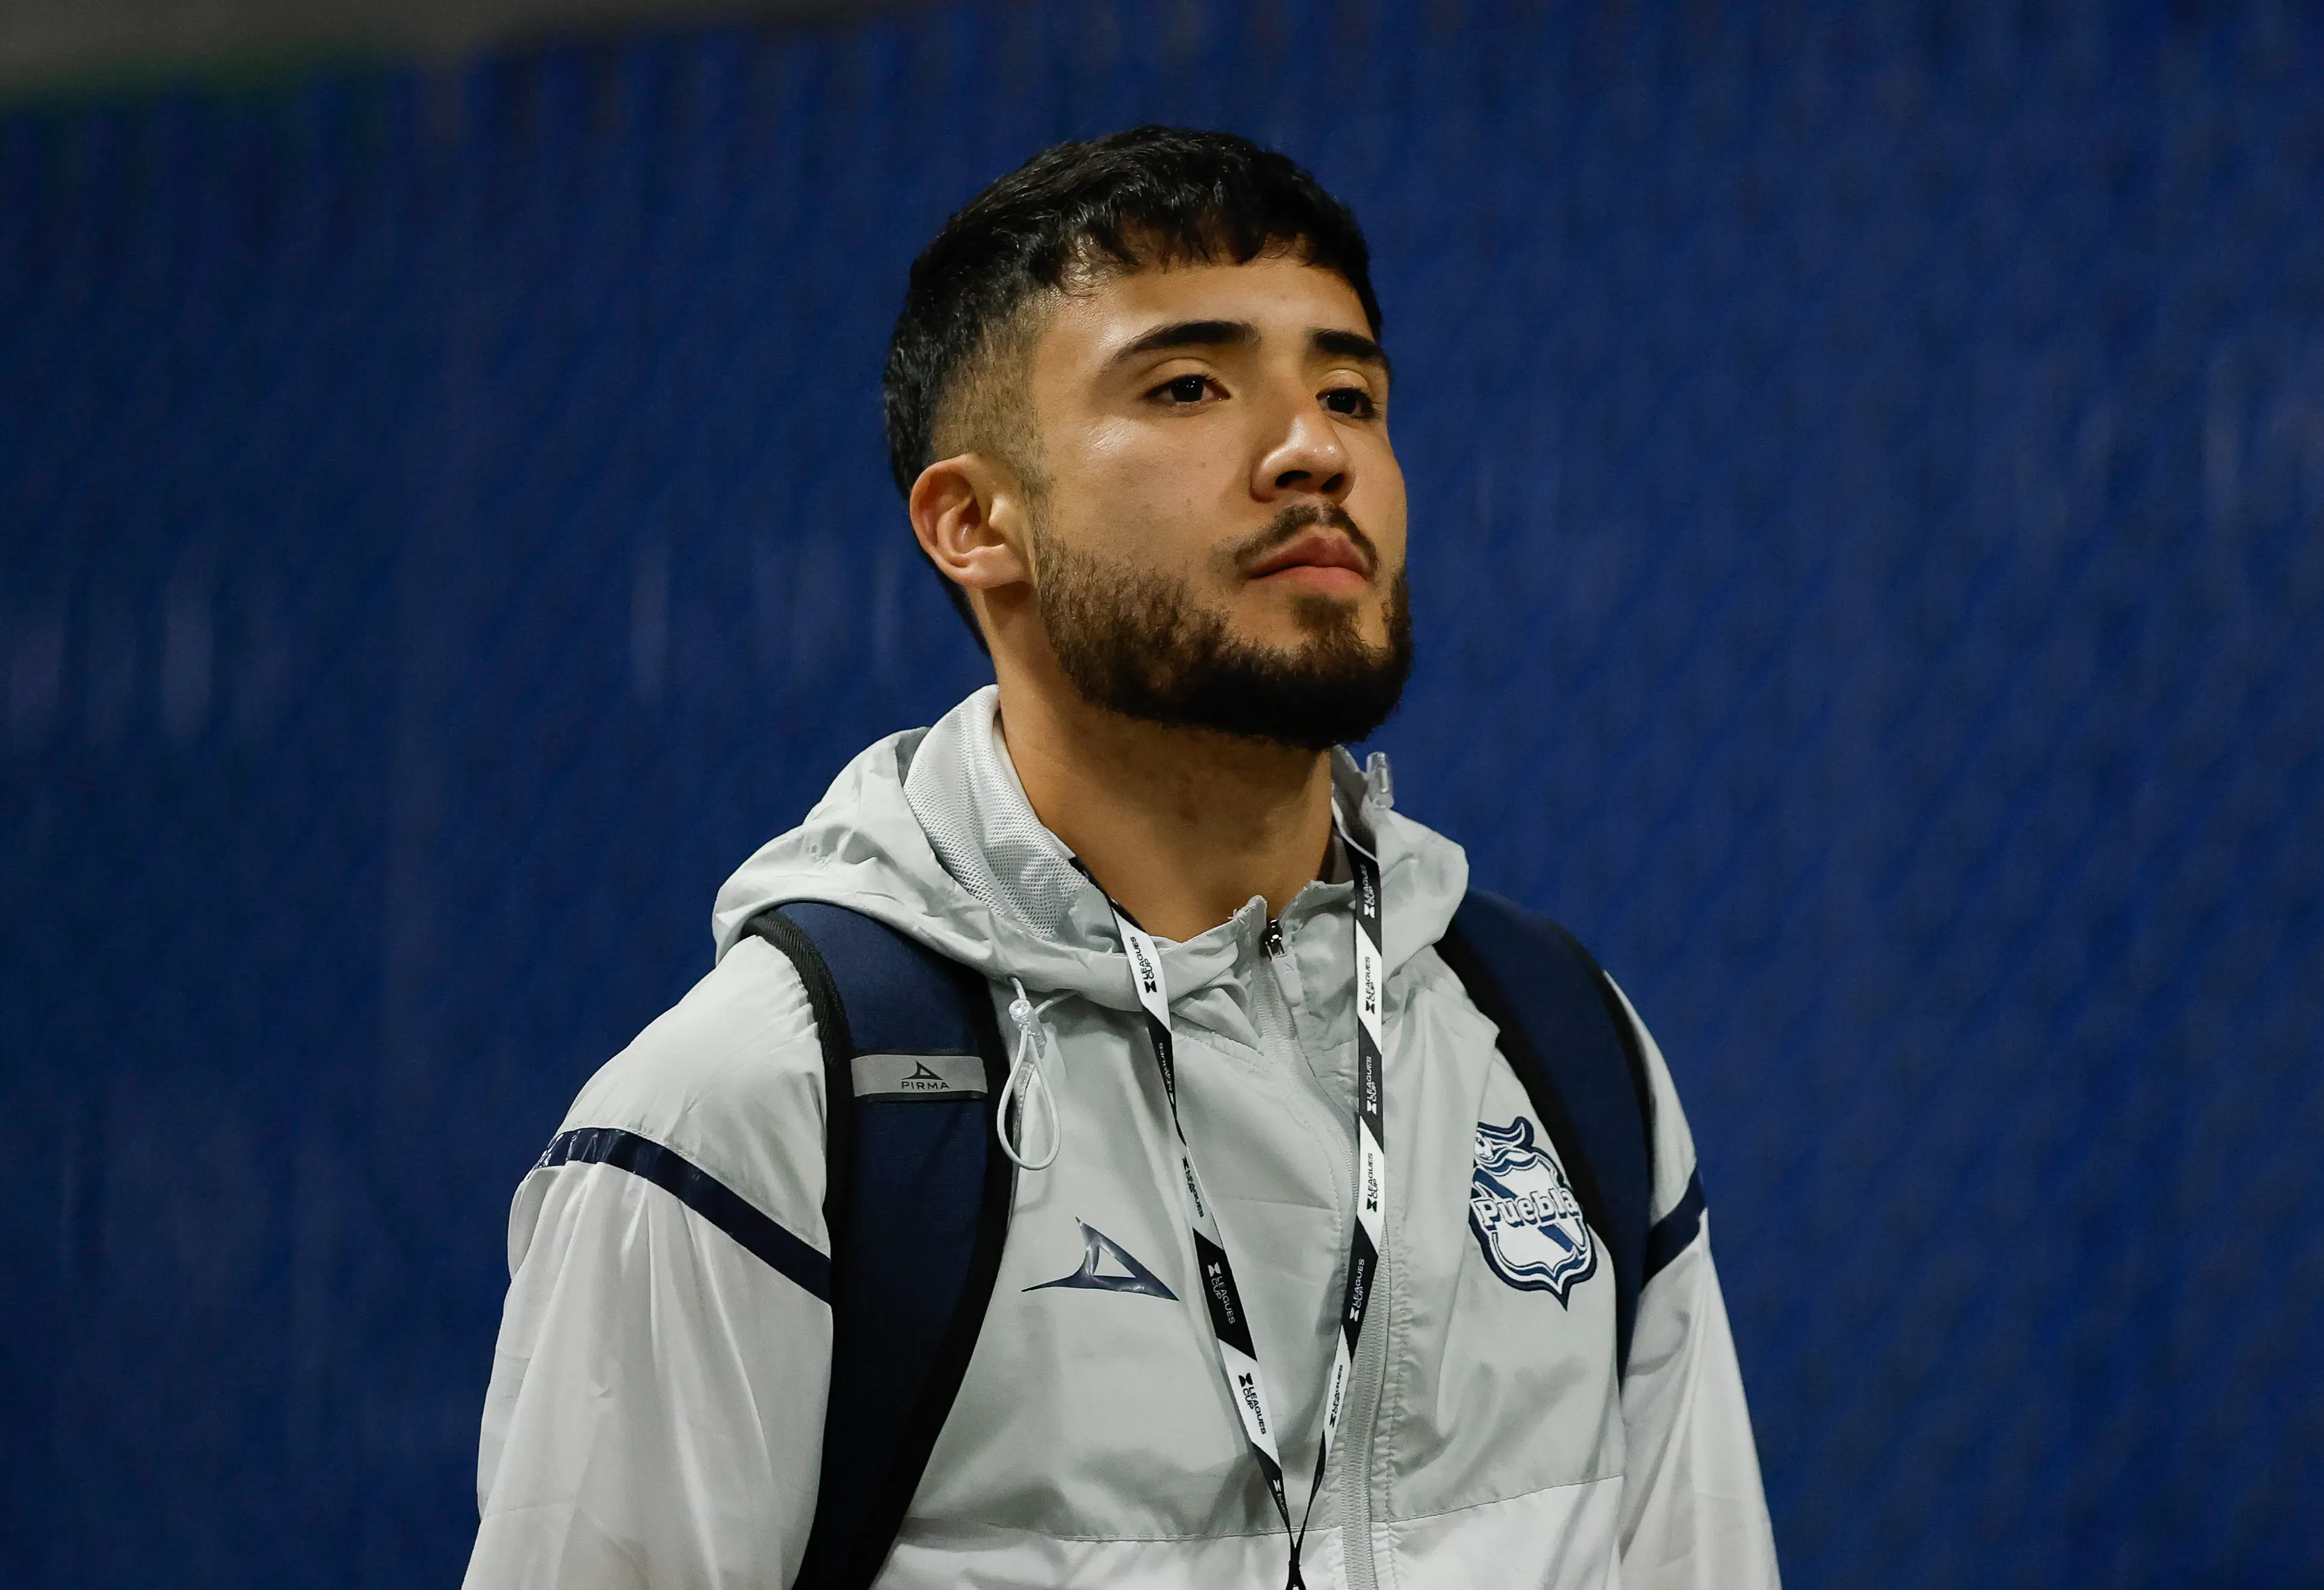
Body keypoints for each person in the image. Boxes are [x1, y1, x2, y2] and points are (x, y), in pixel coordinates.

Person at [463, 126, 1777, 1589]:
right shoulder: (756, 1114)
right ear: (973, 523)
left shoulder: (1558, 1047)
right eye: (1190, 387)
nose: (1310, 448)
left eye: (1350, 392)